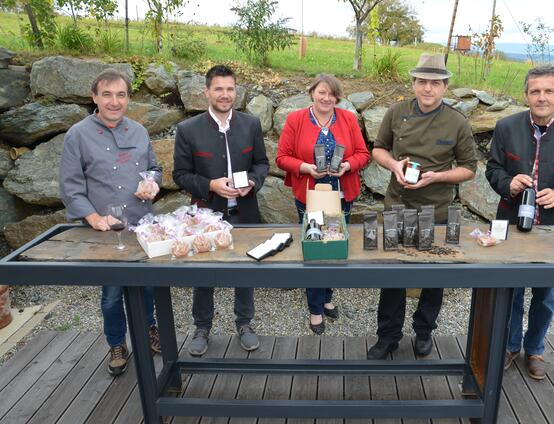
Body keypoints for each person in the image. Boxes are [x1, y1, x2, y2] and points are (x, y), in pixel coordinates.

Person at [486, 65, 554, 380]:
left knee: (545, 294)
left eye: (548, 91)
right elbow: (493, 170)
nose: (542, 97)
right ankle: (509, 346)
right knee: (512, 291)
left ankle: (535, 349)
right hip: (510, 220)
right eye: (535, 91)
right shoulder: (506, 127)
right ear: (526, 95)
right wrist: (509, 183)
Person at [368, 53, 477, 360]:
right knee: (392, 274)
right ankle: (388, 335)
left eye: (435, 83)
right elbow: (378, 149)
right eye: (422, 82)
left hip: (436, 210)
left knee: (434, 276)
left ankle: (424, 331)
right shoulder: (396, 112)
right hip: (398, 205)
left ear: (445, 86)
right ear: (413, 83)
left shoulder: (456, 121)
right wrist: (394, 165)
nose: (428, 88)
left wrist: (438, 177)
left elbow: (469, 168)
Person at [59, 69, 162, 376]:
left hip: (141, 225)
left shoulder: (140, 132)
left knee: (147, 287)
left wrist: (152, 183)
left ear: (128, 98)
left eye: (121, 95)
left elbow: (154, 169)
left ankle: (149, 329)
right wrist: (93, 217)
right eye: (107, 94)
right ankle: (116, 342)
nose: (114, 102)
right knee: (112, 293)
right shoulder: (77, 134)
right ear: (94, 97)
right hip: (105, 231)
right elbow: (70, 186)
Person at [173, 64, 269, 356]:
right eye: (219, 89)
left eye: (229, 89)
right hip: (206, 214)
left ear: (235, 91)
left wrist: (252, 181)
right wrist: (210, 185)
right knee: (204, 274)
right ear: (207, 92)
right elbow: (180, 175)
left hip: (245, 212)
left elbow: (262, 164)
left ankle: (245, 323)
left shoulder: (250, 125)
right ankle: (202, 327)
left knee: (245, 271)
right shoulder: (188, 130)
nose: (225, 95)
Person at [276, 74, 370, 335]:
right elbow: (282, 157)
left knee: (335, 249)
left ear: (337, 98)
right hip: (311, 197)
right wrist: (305, 167)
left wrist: (348, 165)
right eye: (322, 93)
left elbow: (363, 154)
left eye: (332, 94)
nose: (326, 98)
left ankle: (327, 295)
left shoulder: (348, 119)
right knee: (316, 250)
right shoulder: (296, 119)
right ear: (312, 93)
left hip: (341, 195)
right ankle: (315, 308)